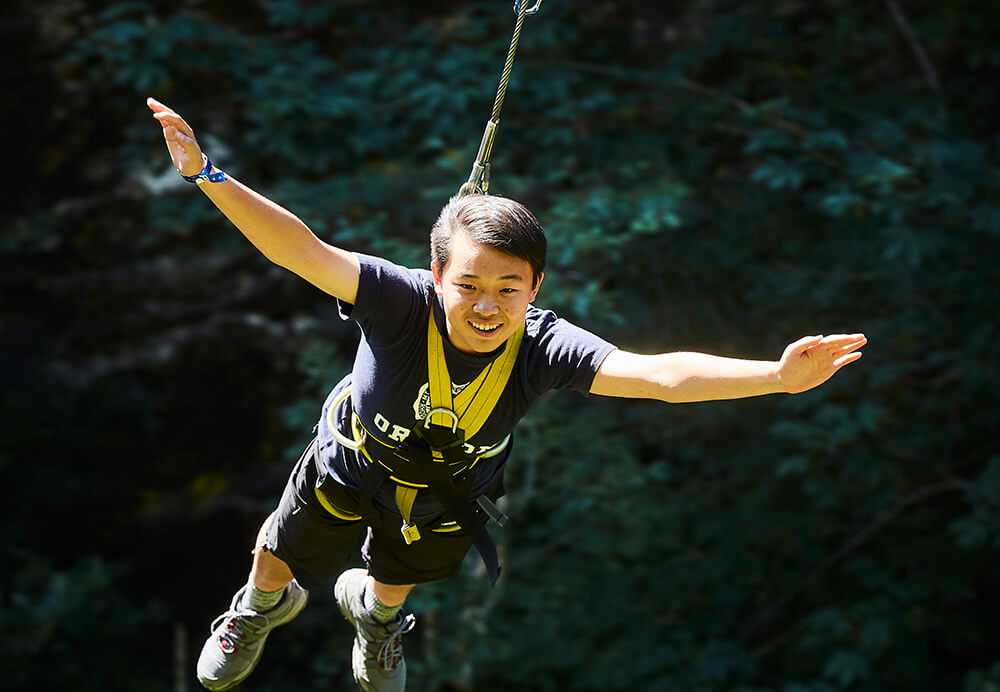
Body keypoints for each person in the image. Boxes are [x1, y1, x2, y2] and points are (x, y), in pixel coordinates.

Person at [147, 96, 866, 692]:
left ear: (536, 288)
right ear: (436, 276)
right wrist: (207, 174)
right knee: (281, 550)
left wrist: (774, 376)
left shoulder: (544, 344)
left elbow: (657, 377)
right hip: (352, 458)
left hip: (445, 490)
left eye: (507, 289)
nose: (486, 306)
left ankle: (376, 619)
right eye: (468, 285)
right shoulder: (397, 303)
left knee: (396, 578)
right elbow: (299, 250)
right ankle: (258, 607)